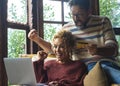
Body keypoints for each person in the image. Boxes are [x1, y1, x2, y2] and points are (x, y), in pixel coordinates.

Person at [28, 0, 120, 84]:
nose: (76, 18)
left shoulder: (103, 21)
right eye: (73, 14)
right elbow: (55, 49)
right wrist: (37, 39)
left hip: (103, 63)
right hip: (80, 68)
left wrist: (97, 50)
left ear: (89, 11)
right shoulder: (67, 29)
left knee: (105, 69)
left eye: (80, 14)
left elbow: (114, 49)